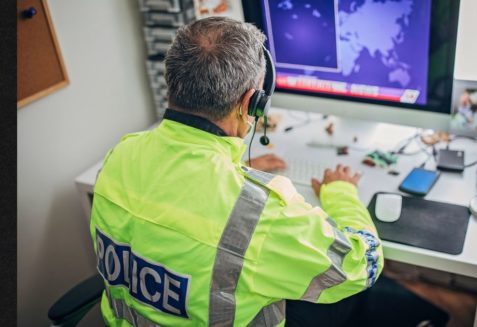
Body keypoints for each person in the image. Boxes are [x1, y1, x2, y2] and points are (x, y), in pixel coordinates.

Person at [90, 17, 383, 326]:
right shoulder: (255, 211)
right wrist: (341, 192)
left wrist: (231, 171)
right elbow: (365, 264)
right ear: (251, 104)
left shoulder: (121, 154)